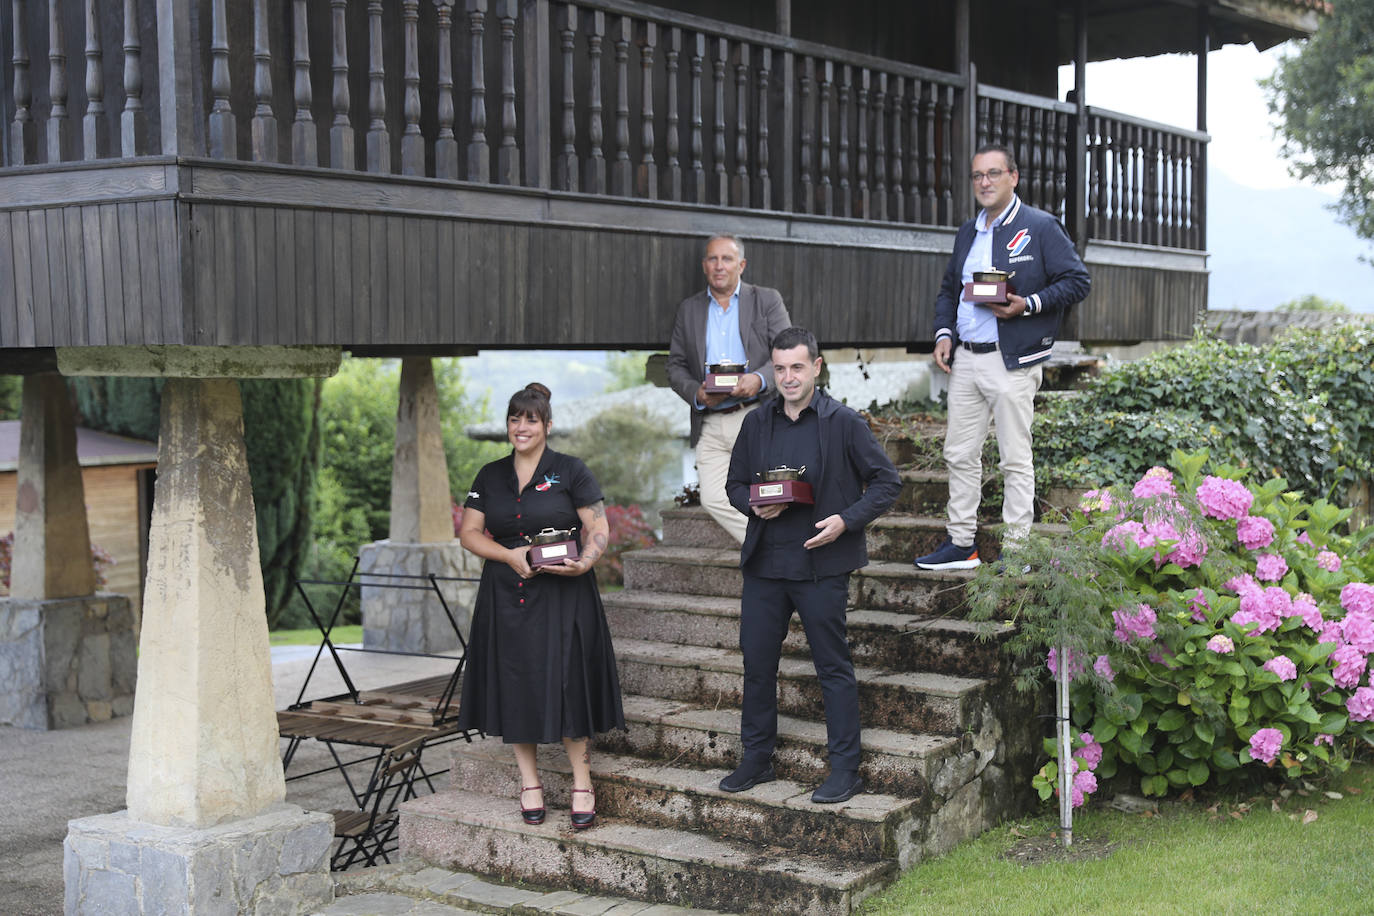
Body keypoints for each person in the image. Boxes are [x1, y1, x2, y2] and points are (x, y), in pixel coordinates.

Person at [721, 327, 901, 804]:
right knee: (757, 665)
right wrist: (753, 506)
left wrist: (847, 520)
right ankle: (757, 759)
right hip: (765, 563)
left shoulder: (843, 423)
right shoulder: (757, 423)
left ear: (816, 367)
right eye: (779, 369)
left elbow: (887, 482)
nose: (787, 377)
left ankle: (845, 769)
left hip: (821, 563)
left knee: (832, 667)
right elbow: (735, 484)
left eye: (796, 367)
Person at [456, 382, 625, 830]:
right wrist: (508, 555)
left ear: (547, 426)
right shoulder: (489, 475)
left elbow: (598, 527)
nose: (521, 427)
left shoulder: (570, 470)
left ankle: (582, 782)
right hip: (506, 593)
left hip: (565, 592)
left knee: (569, 682)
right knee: (517, 684)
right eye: (515, 419)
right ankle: (529, 781)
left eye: (531, 419)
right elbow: (470, 533)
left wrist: (585, 563)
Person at [913, 144, 1090, 571]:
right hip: (966, 359)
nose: (985, 183)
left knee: (1014, 457)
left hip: (1013, 359)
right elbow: (949, 291)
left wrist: (1026, 305)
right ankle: (961, 545)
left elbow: (1077, 281)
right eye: (978, 176)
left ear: (1013, 177)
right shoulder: (967, 232)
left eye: (993, 174)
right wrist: (943, 334)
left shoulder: (1041, 227)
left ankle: (1018, 551)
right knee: (958, 453)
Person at [668, 234, 792, 544]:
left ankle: (777, 552)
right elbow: (675, 366)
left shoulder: (766, 300)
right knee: (714, 497)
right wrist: (696, 392)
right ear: (704, 266)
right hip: (709, 420)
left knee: (770, 492)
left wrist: (759, 379)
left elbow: (788, 351)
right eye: (713, 259)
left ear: (742, 265)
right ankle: (772, 546)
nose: (719, 266)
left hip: (755, 414)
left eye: (727, 259)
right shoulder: (689, 309)